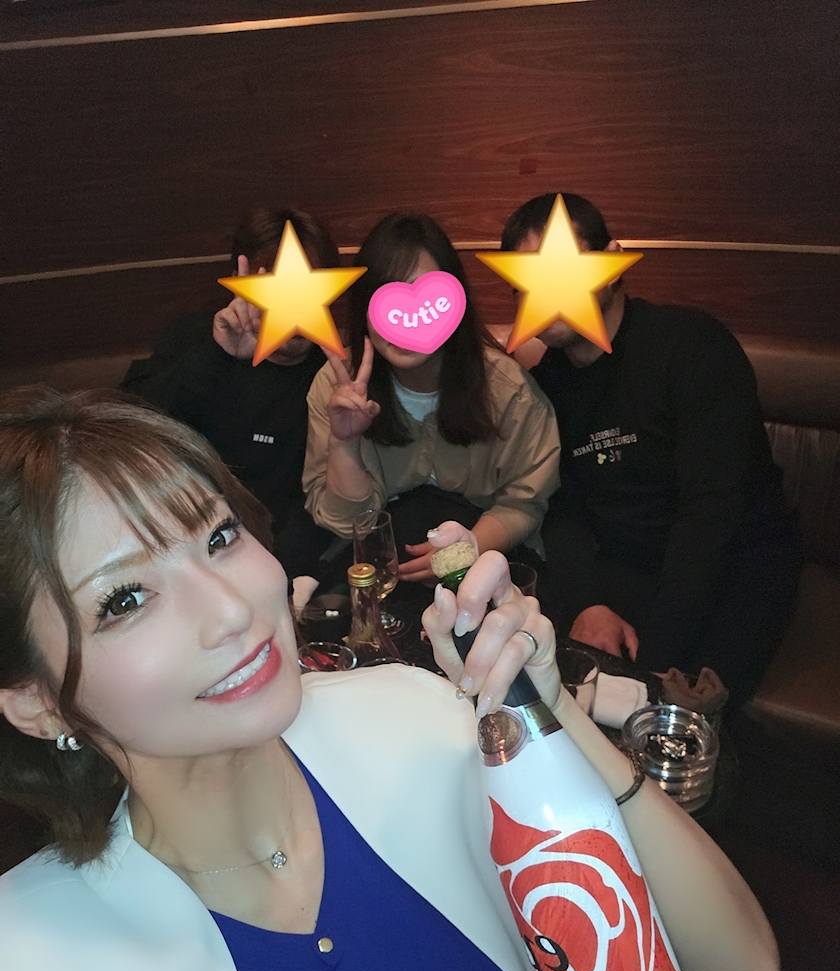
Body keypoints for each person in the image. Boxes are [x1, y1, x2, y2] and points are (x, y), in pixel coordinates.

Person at [0, 387, 778, 971]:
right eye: (125, 599)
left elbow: (741, 965)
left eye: (219, 537)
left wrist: (544, 708)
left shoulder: (415, 724)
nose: (232, 609)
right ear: (36, 701)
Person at [500, 193, 802, 704]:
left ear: (612, 262)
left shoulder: (692, 346)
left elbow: (713, 513)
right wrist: (588, 604)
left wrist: (653, 660)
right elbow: (561, 508)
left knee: (668, 715)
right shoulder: (548, 385)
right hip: (622, 569)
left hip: (733, 567)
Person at [302, 212, 561, 583]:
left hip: (486, 566)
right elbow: (346, 525)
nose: (406, 318)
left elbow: (525, 503)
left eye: (426, 298)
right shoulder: (334, 386)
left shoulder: (509, 390)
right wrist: (344, 444)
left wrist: (466, 550)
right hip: (379, 570)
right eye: (388, 299)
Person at [123, 205, 338, 576]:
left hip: (279, 561)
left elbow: (315, 505)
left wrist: (276, 575)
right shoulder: (196, 340)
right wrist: (217, 354)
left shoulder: (331, 376)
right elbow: (128, 426)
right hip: (183, 550)